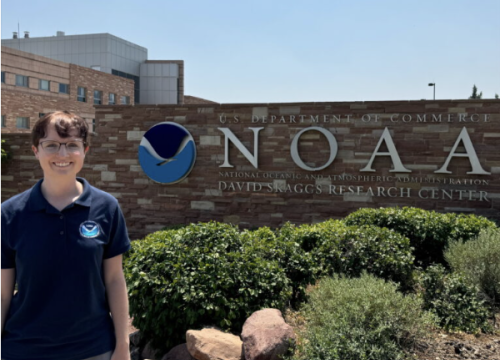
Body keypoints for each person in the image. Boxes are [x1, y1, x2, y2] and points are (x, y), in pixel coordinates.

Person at [1, 111, 131, 360]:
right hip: (22, 350)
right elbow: (3, 293)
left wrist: (123, 346)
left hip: (94, 349)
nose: (62, 155)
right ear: (35, 150)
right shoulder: (9, 214)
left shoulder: (107, 208)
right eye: (51, 145)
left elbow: (115, 280)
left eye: (72, 145)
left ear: (85, 150)